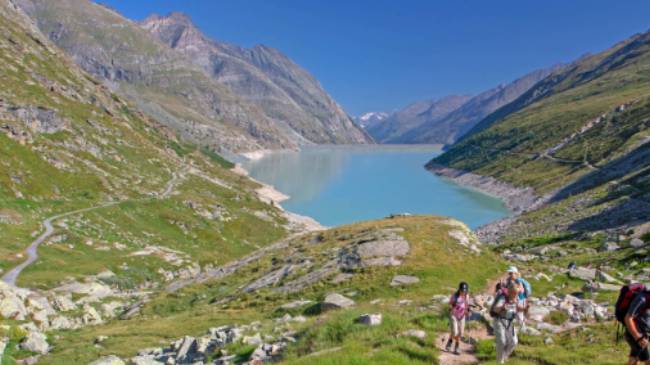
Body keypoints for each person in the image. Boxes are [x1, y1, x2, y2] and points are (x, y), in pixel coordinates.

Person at [491, 281, 522, 364]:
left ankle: (504, 356)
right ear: (510, 291)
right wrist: (503, 307)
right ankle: (499, 362)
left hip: (509, 322)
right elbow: (495, 309)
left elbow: (517, 309)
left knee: (514, 341)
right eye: (514, 293)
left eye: (516, 293)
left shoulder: (517, 298)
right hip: (499, 320)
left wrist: (519, 318)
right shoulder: (503, 298)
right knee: (502, 341)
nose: (515, 295)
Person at [624, 289, 650, 365]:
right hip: (636, 334)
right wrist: (638, 337)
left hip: (644, 333)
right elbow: (628, 318)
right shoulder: (642, 299)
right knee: (647, 361)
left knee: (634, 358)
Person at [445, 282, 470, 355]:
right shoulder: (454, 296)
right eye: (462, 291)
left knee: (460, 333)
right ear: (459, 290)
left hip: (462, 316)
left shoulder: (467, 296)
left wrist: (467, 311)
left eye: (465, 291)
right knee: (455, 332)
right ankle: (457, 346)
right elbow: (449, 305)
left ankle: (450, 340)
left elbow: (467, 305)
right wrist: (451, 306)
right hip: (454, 316)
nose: (463, 292)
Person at [505, 266, 531, 330]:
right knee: (509, 313)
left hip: (520, 300)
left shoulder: (519, 280)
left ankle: (523, 330)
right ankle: (508, 329)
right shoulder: (510, 280)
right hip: (513, 300)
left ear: (515, 273)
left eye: (511, 273)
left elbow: (521, 290)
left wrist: (514, 290)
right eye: (509, 273)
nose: (510, 274)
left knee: (519, 315)